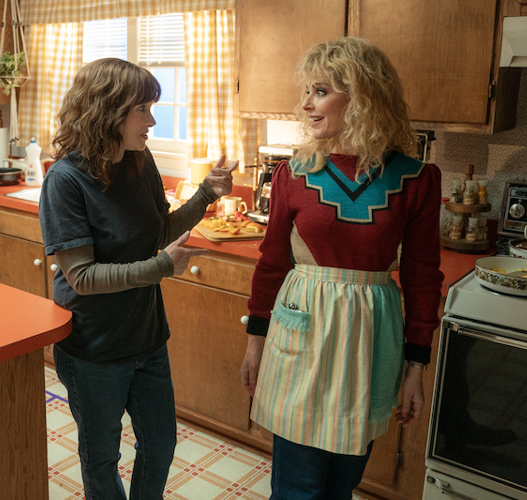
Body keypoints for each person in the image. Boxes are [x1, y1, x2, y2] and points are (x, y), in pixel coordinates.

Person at [239, 37, 444, 499]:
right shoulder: (293, 174)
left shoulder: (415, 179)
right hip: (300, 336)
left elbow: (422, 278)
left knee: (341, 485)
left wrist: (416, 366)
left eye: (320, 91)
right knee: (297, 487)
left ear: (362, 97)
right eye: (307, 91)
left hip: (371, 341)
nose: (305, 104)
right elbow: (271, 265)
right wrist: (255, 341)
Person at [39, 57, 237, 499]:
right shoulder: (65, 180)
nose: (152, 121)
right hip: (94, 348)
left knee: (160, 445)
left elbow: (158, 232)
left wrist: (207, 193)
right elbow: (83, 277)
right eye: (142, 109)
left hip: (146, 338)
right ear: (107, 111)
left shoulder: (139, 160)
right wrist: (162, 266)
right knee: (101, 457)